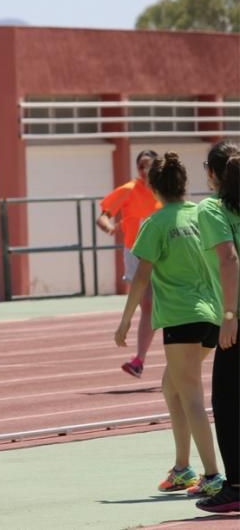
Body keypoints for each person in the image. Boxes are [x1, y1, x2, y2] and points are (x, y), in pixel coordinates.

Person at [114, 153, 222, 498]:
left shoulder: (156, 223)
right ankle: (182, 468)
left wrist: (126, 320)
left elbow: (141, 277)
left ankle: (212, 475)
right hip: (211, 317)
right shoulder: (202, 214)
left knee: (190, 396)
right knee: (171, 388)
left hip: (182, 317)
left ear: (154, 188)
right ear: (184, 184)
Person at [194, 140, 240, 513]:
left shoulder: (211, 208)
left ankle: (237, 484)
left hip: (237, 319)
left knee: (227, 401)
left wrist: (228, 315)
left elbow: (228, 258)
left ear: (212, 173)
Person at [98, 150, 161, 377]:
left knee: (157, 304)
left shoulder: (164, 190)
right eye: (141, 166)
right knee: (148, 304)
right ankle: (139, 360)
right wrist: (108, 226)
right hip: (136, 252)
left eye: (149, 166)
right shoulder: (129, 190)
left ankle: (175, 355)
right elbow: (104, 214)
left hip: (163, 253)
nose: (144, 171)